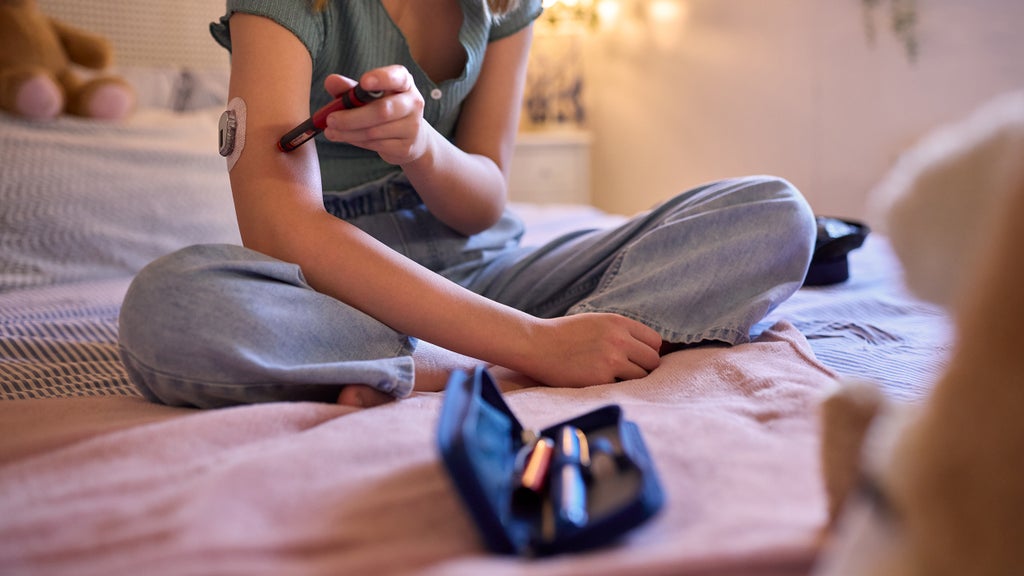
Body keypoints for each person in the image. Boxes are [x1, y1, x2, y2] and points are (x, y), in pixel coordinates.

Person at [117, 0, 817, 409]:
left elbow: (484, 205)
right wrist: (532, 344)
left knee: (772, 214)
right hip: (335, 289)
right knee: (169, 308)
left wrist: (420, 147)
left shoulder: (506, 8)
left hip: (488, 271)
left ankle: (402, 365)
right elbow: (278, 224)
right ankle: (520, 356)